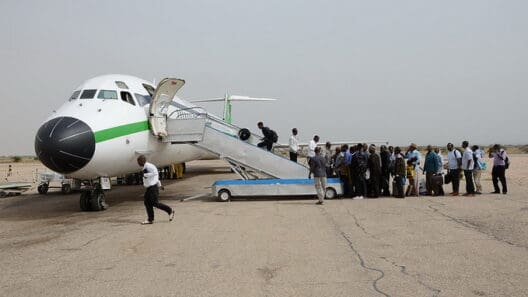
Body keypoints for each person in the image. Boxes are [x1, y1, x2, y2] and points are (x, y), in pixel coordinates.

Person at [137, 155, 175, 225]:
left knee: (155, 203)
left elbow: (155, 173)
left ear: (142, 161)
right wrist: (160, 185)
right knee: (147, 203)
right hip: (149, 188)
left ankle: (170, 210)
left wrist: (145, 175)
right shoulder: (145, 167)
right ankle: (150, 219)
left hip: (153, 188)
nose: (138, 163)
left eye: (138, 161)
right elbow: (155, 177)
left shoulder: (149, 166)